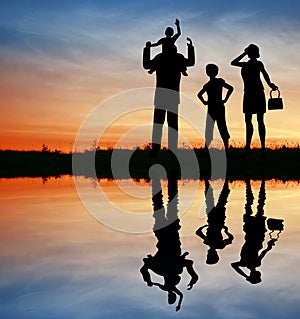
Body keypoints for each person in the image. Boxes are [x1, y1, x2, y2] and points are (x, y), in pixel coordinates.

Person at [140, 173, 198, 311]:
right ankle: (159, 179)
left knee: (170, 204)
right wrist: (148, 279)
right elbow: (144, 267)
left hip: (169, 232)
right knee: (161, 205)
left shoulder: (175, 268)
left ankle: (165, 178)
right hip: (164, 232)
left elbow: (191, 271)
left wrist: (192, 279)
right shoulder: (161, 269)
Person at [143, 36, 195, 157]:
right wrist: (190, 47)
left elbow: (147, 65)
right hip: (168, 95)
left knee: (162, 123)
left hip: (166, 95)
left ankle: (161, 149)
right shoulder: (173, 58)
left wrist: (147, 49)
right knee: (169, 123)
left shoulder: (163, 58)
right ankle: (165, 149)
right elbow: (191, 62)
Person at [231, 44, 278, 156]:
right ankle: (253, 148)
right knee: (254, 121)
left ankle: (258, 148)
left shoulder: (255, 64)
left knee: (255, 121)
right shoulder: (248, 64)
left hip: (254, 93)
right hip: (251, 93)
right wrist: (270, 84)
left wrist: (270, 84)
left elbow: (265, 75)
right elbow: (233, 62)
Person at [196, 179, 233, 264]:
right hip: (215, 220)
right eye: (209, 255)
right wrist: (226, 231)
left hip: (215, 220)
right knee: (215, 200)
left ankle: (208, 180)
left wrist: (225, 230)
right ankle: (209, 180)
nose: (208, 253)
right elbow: (198, 232)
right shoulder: (213, 243)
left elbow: (198, 232)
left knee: (216, 200)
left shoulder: (211, 243)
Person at [197, 64, 233, 151]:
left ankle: (225, 150)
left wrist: (225, 99)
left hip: (216, 107)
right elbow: (199, 95)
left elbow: (231, 88)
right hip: (214, 107)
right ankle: (207, 150)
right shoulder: (209, 84)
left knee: (220, 127)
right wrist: (225, 99)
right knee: (214, 128)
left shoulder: (216, 82)